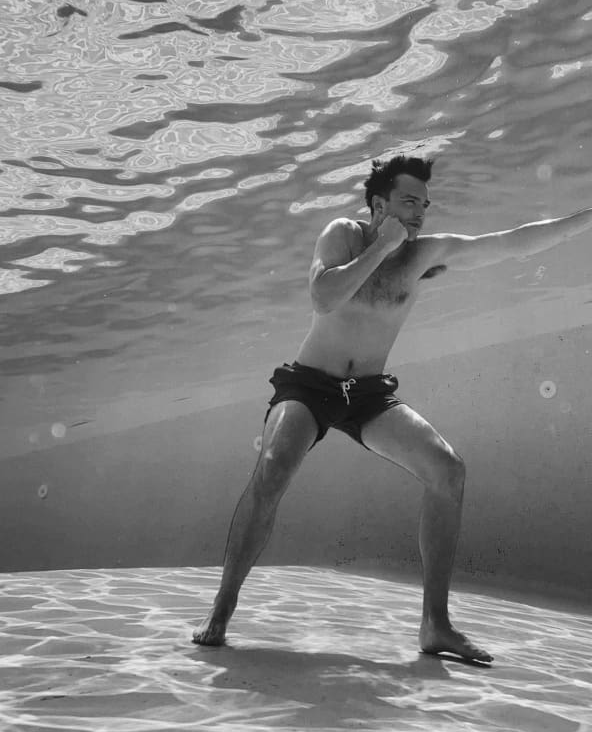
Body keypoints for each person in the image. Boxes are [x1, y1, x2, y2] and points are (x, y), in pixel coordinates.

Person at [193, 155, 592, 662]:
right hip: (309, 385)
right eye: (408, 201)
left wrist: (586, 218)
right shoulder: (343, 235)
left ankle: (436, 624)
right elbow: (323, 297)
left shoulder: (423, 254)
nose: (420, 212)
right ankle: (222, 608)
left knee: (448, 470)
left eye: (424, 204)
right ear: (378, 204)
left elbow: (513, 241)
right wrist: (381, 247)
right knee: (272, 469)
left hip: (368, 395)